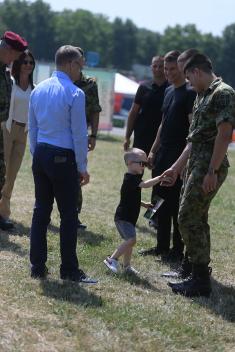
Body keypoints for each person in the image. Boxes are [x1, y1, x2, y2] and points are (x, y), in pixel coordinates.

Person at [162, 53, 235, 297]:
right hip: (196, 162)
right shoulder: (202, 95)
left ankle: (200, 279)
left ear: (196, 71)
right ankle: (194, 270)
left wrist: (212, 171)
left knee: (187, 217)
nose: (189, 84)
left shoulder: (222, 93)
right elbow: (193, 140)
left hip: (208, 165)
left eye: (189, 78)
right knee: (196, 218)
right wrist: (176, 167)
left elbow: (224, 135)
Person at [29, 45, 97, 283]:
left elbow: (33, 128)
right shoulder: (75, 94)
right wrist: (82, 166)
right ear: (70, 64)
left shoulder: (38, 90)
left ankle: (37, 266)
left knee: (41, 211)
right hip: (63, 156)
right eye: (80, 64)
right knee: (68, 215)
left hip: (42, 154)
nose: (81, 70)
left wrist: (36, 155)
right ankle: (68, 269)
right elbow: (79, 134)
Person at [140, 51, 196, 261]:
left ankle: (176, 250)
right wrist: (153, 150)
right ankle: (161, 246)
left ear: (181, 69)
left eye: (173, 69)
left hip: (178, 157)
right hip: (163, 154)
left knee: (174, 205)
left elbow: (193, 129)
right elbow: (163, 124)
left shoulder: (190, 93)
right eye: (166, 69)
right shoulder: (169, 91)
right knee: (158, 201)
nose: (169, 73)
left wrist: (185, 162)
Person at [103, 148, 166, 274]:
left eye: (146, 164)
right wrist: (159, 178)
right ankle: (112, 259)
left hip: (129, 218)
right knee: (131, 241)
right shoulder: (130, 178)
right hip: (124, 218)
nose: (144, 167)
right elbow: (146, 184)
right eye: (142, 164)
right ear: (130, 163)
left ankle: (126, 267)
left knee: (129, 243)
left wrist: (143, 204)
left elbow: (129, 198)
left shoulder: (134, 178)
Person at [0, 50, 35, 221]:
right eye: (25, 61)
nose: (28, 65)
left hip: (23, 132)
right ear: (19, 63)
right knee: (3, 172)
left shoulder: (33, 88)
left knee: (12, 175)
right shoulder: (10, 82)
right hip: (8, 129)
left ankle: (4, 213)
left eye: (31, 62)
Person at [0, 30, 28, 230]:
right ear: (7, 49)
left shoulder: (4, 70)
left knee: (2, 173)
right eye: (14, 56)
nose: (14, 61)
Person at [74, 47, 102, 229]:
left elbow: (95, 110)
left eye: (80, 59)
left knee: (78, 174)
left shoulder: (90, 84)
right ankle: (47, 214)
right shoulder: (59, 81)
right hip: (60, 135)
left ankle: (74, 215)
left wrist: (93, 135)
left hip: (80, 135)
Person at [123, 55, 168, 155]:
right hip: (142, 135)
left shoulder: (171, 89)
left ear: (165, 68)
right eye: (155, 66)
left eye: (161, 66)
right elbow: (133, 112)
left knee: (158, 170)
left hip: (162, 137)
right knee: (136, 169)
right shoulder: (143, 87)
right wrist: (127, 137)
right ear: (151, 67)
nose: (157, 69)